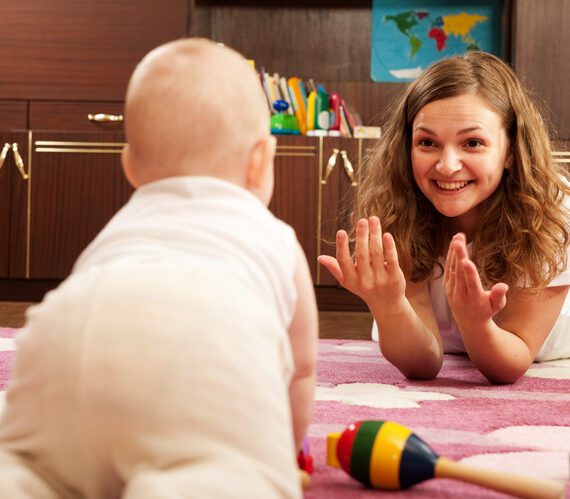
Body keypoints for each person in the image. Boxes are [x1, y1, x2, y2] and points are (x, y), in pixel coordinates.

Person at [0, 38, 319, 498]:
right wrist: (273, 454)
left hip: (69, 333)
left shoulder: (120, 228)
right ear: (259, 162)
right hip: (208, 343)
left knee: (35, 468)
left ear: (130, 167)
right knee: (214, 474)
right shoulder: (276, 238)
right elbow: (301, 370)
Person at [319, 51, 570, 384]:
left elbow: (510, 363)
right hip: (453, 346)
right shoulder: (397, 206)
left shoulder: (550, 212)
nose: (447, 165)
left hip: (534, 348)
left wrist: (476, 324)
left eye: (473, 143)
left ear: (510, 151)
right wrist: (388, 305)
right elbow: (422, 365)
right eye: (427, 142)